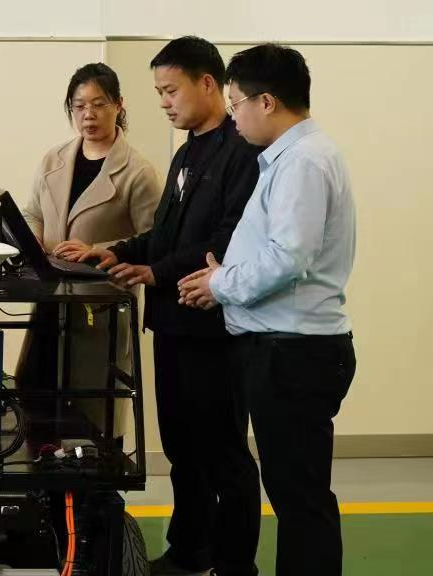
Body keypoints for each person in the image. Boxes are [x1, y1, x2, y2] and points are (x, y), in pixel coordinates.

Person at [71, 37, 263, 576]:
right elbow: (165, 235)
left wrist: (155, 272)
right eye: (158, 92)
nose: (164, 103)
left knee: (223, 453)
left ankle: (235, 564)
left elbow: (226, 241)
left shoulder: (240, 152)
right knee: (182, 449)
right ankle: (189, 551)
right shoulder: (187, 151)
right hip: (174, 324)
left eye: (171, 90)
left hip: (215, 329)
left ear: (209, 83)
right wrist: (115, 251)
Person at [179, 44, 356, 576]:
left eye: (236, 104)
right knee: (295, 493)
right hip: (286, 349)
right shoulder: (293, 157)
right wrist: (226, 274)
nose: (233, 116)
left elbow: (288, 257)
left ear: (268, 102)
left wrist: (221, 282)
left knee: (299, 498)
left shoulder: (302, 162)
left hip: (293, 353)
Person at [18, 62, 161, 435]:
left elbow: (155, 239)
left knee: (93, 408)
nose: (88, 114)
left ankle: (98, 470)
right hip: (51, 297)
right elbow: (33, 212)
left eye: (99, 104)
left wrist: (96, 248)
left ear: (119, 105)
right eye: (79, 106)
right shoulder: (54, 159)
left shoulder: (138, 171)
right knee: (37, 395)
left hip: (101, 305)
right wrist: (33, 239)